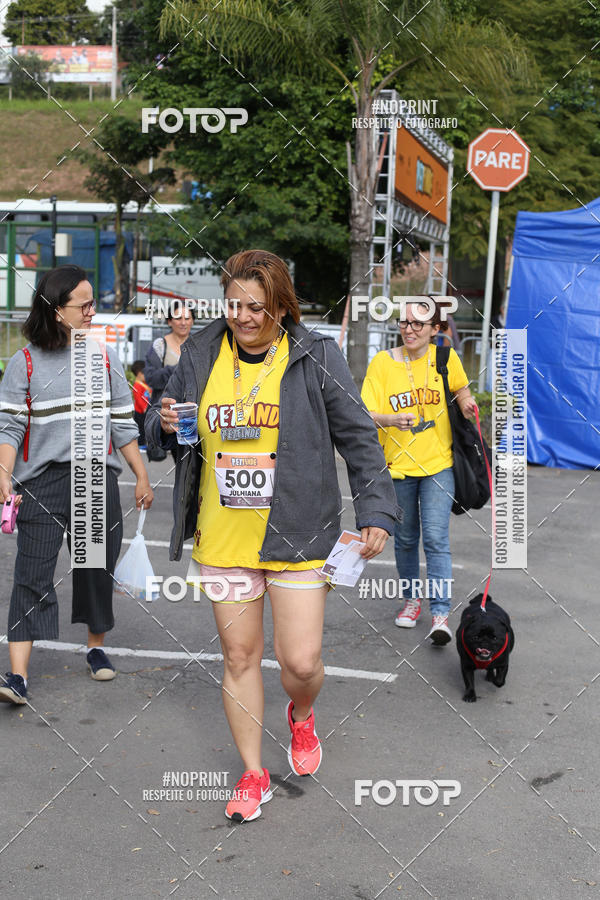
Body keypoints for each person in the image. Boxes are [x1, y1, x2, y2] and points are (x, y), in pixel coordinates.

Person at [145, 249, 399, 823]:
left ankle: (301, 714)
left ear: (282, 306)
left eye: (256, 306)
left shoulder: (316, 355)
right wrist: (159, 425)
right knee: (239, 657)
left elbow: (360, 438)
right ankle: (254, 773)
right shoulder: (202, 353)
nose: (243, 316)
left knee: (301, 661)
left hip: (300, 531)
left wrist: (377, 512)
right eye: (234, 304)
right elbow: (168, 431)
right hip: (224, 536)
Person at [0, 265, 154, 706]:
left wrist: (142, 475)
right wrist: (3, 473)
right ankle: (17, 676)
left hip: (94, 477)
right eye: (83, 305)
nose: (92, 311)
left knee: (94, 569)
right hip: (42, 483)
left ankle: (95, 646)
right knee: (31, 574)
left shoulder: (102, 356)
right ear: (55, 311)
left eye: (93, 303)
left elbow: (123, 422)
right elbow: (9, 427)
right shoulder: (24, 361)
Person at [361, 300, 476, 644]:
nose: (409, 329)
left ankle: (440, 613)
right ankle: (412, 601)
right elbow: (363, 413)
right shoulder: (383, 363)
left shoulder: (445, 358)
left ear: (435, 330)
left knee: (437, 539)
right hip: (397, 468)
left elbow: (461, 390)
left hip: (439, 465)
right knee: (407, 540)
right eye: (404, 322)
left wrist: (467, 403)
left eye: (418, 324)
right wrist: (390, 419)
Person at [144, 300, 194, 404]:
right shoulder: (160, 345)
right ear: (169, 321)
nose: (183, 323)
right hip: (164, 408)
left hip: (191, 409)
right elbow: (151, 378)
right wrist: (178, 369)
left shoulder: (198, 347)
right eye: (178, 318)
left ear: (192, 321)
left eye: (187, 318)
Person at [131, 359, 151, 448]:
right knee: (141, 428)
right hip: (140, 411)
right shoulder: (137, 385)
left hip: (146, 409)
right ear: (139, 373)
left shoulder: (144, 383)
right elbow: (138, 399)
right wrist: (144, 408)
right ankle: (140, 444)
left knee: (145, 427)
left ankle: (144, 443)